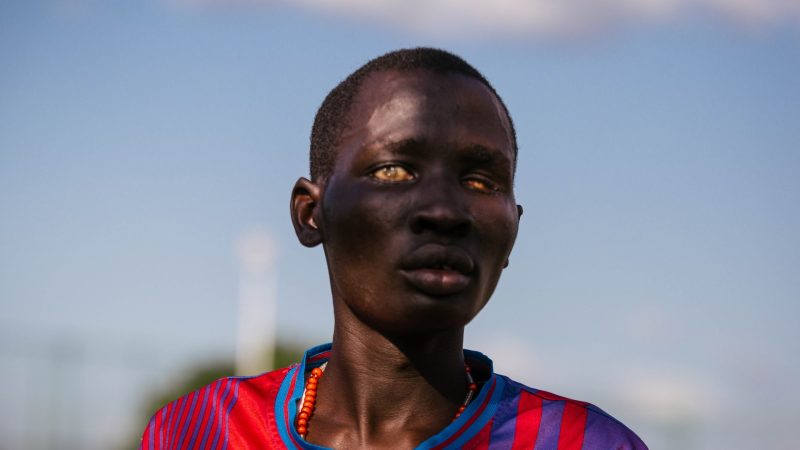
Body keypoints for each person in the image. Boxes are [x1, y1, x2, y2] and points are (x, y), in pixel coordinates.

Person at [139, 47, 648, 450]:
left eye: (479, 180)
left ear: (513, 229)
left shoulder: (588, 444)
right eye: (393, 170)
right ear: (311, 213)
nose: (445, 211)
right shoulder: (196, 431)